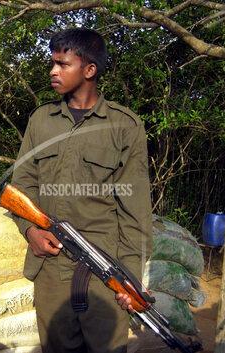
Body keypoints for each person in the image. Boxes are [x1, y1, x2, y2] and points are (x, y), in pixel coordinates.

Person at [11, 28, 152, 353]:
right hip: (51, 265)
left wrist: (130, 278)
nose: (53, 71)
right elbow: (21, 186)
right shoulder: (41, 121)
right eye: (52, 63)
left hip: (104, 267)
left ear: (89, 70)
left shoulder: (124, 127)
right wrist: (29, 229)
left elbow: (136, 212)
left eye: (62, 64)